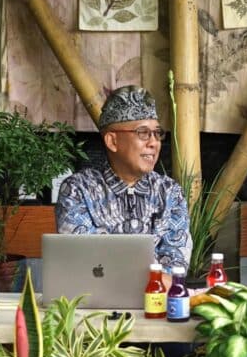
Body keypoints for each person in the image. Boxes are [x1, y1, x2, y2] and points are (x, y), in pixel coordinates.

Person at [55, 85, 191, 269]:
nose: (154, 142)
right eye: (143, 133)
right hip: (97, 288)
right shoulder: (78, 189)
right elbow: (83, 262)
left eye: (157, 133)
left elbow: (176, 263)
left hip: (155, 288)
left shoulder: (169, 192)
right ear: (113, 141)